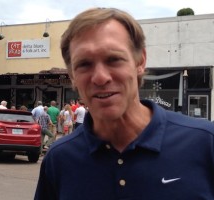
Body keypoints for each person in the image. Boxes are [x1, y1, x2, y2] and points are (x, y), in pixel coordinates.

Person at [35, 8, 214, 199]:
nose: (100, 77)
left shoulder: (205, 143)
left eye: (114, 59)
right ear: (72, 76)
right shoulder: (59, 159)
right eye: (84, 64)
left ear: (140, 61)